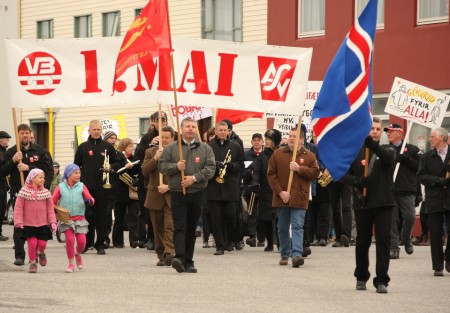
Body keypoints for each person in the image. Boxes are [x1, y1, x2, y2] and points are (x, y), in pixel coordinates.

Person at [340, 117, 396, 293]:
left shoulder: (388, 149)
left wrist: (373, 146)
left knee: (383, 242)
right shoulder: (356, 152)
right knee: (362, 242)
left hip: (384, 203)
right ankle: (361, 276)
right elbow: (343, 175)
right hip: (363, 203)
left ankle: (381, 280)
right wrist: (357, 181)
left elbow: (388, 159)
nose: (375, 131)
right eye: (372, 128)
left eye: (378, 129)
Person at [159, 117, 215, 273]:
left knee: (191, 228)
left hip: (197, 192)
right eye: (187, 126)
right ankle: (179, 258)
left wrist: (194, 178)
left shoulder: (205, 148)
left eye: (193, 126)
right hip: (177, 192)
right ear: (182, 129)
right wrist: (176, 166)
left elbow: (210, 168)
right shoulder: (172, 148)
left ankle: (189, 261)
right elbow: (162, 166)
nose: (190, 129)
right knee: (180, 226)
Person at [0, 124, 53, 266]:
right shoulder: (11, 152)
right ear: (17, 135)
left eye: (26, 133)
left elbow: (48, 171)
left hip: (38, 194)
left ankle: (37, 252)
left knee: (37, 225)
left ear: (30, 134)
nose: (24, 135)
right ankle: (19, 255)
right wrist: (13, 161)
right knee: (19, 224)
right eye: (21, 133)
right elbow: (2, 172)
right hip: (19, 192)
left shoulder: (41, 151)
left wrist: (29, 168)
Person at [267, 127, 319, 268]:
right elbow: (271, 174)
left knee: (297, 226)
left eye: (294, 136)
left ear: (301, 139)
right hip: (282, 197)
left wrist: (299, 169)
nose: (291, 138)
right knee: (282, 227)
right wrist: (280, 192)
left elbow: (315, 173)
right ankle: (285, 253)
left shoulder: (309, 156)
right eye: (289, 135)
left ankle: (296, 255)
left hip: (299, 196)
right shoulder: (278, 154)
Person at [74, 120, 118, 255]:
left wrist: (111, 167)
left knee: (102, 216)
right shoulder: (83, 147)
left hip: (103, 186)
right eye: (94, 129)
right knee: (87, 216)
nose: (96, 131)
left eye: (99, 129)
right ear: (89, 130)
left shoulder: (108, 147)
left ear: (101, 130)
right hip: (86, 187)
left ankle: (100, 244)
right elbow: (76, 166)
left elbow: (117, 162)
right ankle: (88, 243)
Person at [135, 111, 172, 250]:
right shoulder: (146, 138)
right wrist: (151, 145)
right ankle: (152, 238)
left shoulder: (173, 136)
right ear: (153, 121)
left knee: (169, 221)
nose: (161, 121)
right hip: (151, 182)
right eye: (158, 119)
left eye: (164, 119)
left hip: (169, 186)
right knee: (152, 215)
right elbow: (138, 156)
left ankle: (169, 249)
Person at [207, 121, 245, 255]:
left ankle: (230, 241)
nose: (223, 132)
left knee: (230, 216)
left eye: (225, 130)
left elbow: (241, 165)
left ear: (228, 131)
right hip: (214, 187)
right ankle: (219, 246)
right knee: (216, 218)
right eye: (220, 130)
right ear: (216, 131)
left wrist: (229, 166)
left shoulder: (235, 146)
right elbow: (205, 166)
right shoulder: (209, 147)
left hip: (230, 186)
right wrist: (215, 167)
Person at [384, 123, 421, 259]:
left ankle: (406, 238)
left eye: (391, 131)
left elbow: (419, 166)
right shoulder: (385, 149)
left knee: (410, 217)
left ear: (400, 133)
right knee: (392, 220)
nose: (388, 133)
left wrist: (405, 159)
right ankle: (394, 247)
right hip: (390, 189)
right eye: (387, 131)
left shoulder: (412, 149)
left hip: (407, 189)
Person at [417, 127, 450, 276]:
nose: (430, 139)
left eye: (432, 137)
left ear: (442, 138)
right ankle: (438, 266)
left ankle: (448, 256)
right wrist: (438, 181)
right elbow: (421, 176)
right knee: (435, 233)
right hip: (434, 199)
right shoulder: (426, 157)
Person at [142, 126, 175, 266]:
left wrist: (169, 186)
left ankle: (170, 253)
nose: (165, 140)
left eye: (167, 138)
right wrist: (155, 158)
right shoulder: (150, 152)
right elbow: (144, 171)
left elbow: (182, 173)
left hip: (171, 194)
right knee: (157, 228)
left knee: (170, 225)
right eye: (162, 137)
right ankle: (161, 254)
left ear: (172, 138)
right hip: (155, 195)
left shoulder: (178, 153)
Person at [53, 164, 95, 273]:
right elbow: (52, 202)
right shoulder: (60, 187)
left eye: (79, 173)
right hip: (66, 219)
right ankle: (71, 264)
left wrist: (89, 201)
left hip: (79, 218)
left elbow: (90, 198)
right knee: (70, 240)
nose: (78, 175)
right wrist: (55, 211)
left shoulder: (81, 186)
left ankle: (77, 253)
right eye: (76, 173)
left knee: (82, 242)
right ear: (68, 174)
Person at [13, 169, 57, 273]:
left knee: (42, 244)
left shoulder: (46, 193)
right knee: (32, 244)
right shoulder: (24, 192)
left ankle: (41, 252)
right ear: (32, 178)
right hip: (29, 224)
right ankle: (33, 263)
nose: (43, 179)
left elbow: (50, 209)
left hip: (43, 224)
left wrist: (53, 222)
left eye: (43, 177)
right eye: (40, 177)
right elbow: (18, 208)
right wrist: (18, 221)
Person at [251, 129, 282, 252]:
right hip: (266, 190)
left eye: (269, 139)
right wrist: (255, 182)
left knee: (280, 218)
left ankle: (280, 243)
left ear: (276, 141)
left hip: (279, 190)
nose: (267, 142)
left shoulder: (282, 153)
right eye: (267, 139)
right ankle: (270, 243)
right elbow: (257, 170)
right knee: (267, 218)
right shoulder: (262, 156)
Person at [112, 138, 146, 248]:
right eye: (130, 146)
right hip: (119, 192)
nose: (132, 148)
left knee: (134, 217)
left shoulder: (134, 158)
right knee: (119, 218)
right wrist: (125, 167)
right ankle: (118, 241)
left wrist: (137, 179)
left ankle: (134, 240)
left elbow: (139, 172)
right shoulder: (117, 158)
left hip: (132, 192)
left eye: (132, 146)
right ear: (124, 147)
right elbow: (115, 171)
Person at [243, 132, 265, 247]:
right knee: (252, 212)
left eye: (259, 140)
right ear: (251, 142)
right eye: (254, 140)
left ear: (262, 142)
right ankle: (252, 236)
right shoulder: (246, 155)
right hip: (251, 188)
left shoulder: (266, 154)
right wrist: (252, 173)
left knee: (263, 213)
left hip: (263, 188)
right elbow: (244, 172)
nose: (256, 142)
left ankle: (261, 238)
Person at [103, 130, 119, 248]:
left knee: (108, 211)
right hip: (99, 183)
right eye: (111, 138)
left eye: (115, 138)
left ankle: (106, 237)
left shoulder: (116, 152)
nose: (113, 140)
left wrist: (111, 166)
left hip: (111, 184)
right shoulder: (101, 150)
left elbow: (119, 164)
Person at [0, 130, 12, 241]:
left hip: (3, 183)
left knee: (3, 208)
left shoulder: (4, 151)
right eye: (6, 139)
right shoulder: (2, 153)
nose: (8, 141)